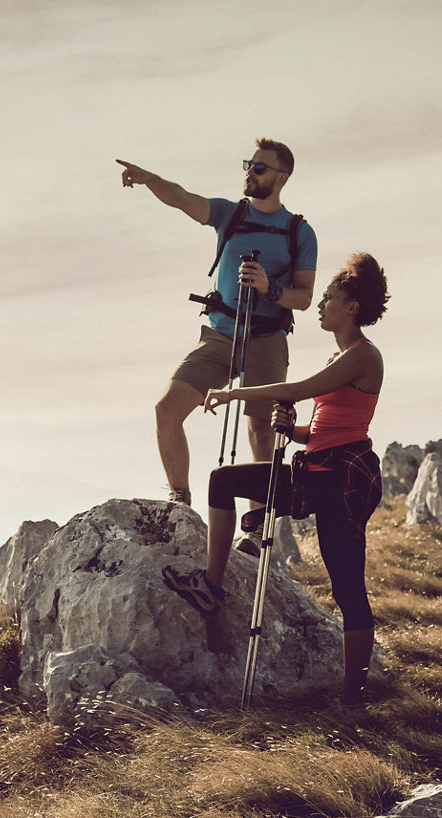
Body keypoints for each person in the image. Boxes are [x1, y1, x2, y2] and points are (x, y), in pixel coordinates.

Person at [162, 253, 388, 703]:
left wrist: (235, 391)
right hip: (317, 473)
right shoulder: (339, 355)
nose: (321, 303)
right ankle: (211, 586)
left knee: (347, 586)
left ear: (353, 308)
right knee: (223, 481)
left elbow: (297, 390)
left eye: (330, 297)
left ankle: (354, 695)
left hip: (341, 482)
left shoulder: (364, 356)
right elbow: (324, 429)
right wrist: (294, 431)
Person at [116, 140, 317, 538]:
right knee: (166, 410)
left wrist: (269, 289)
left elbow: (305, 298)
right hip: (220, 335)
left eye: (259, 168)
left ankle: (256, 528)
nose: (250, 171)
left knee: (260, 430)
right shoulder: (230, 214)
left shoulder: (299, 231)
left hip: (267, 338)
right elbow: (183, 199)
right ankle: (180, 502)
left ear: (281, 177)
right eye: (249, 164)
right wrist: (150, 179)